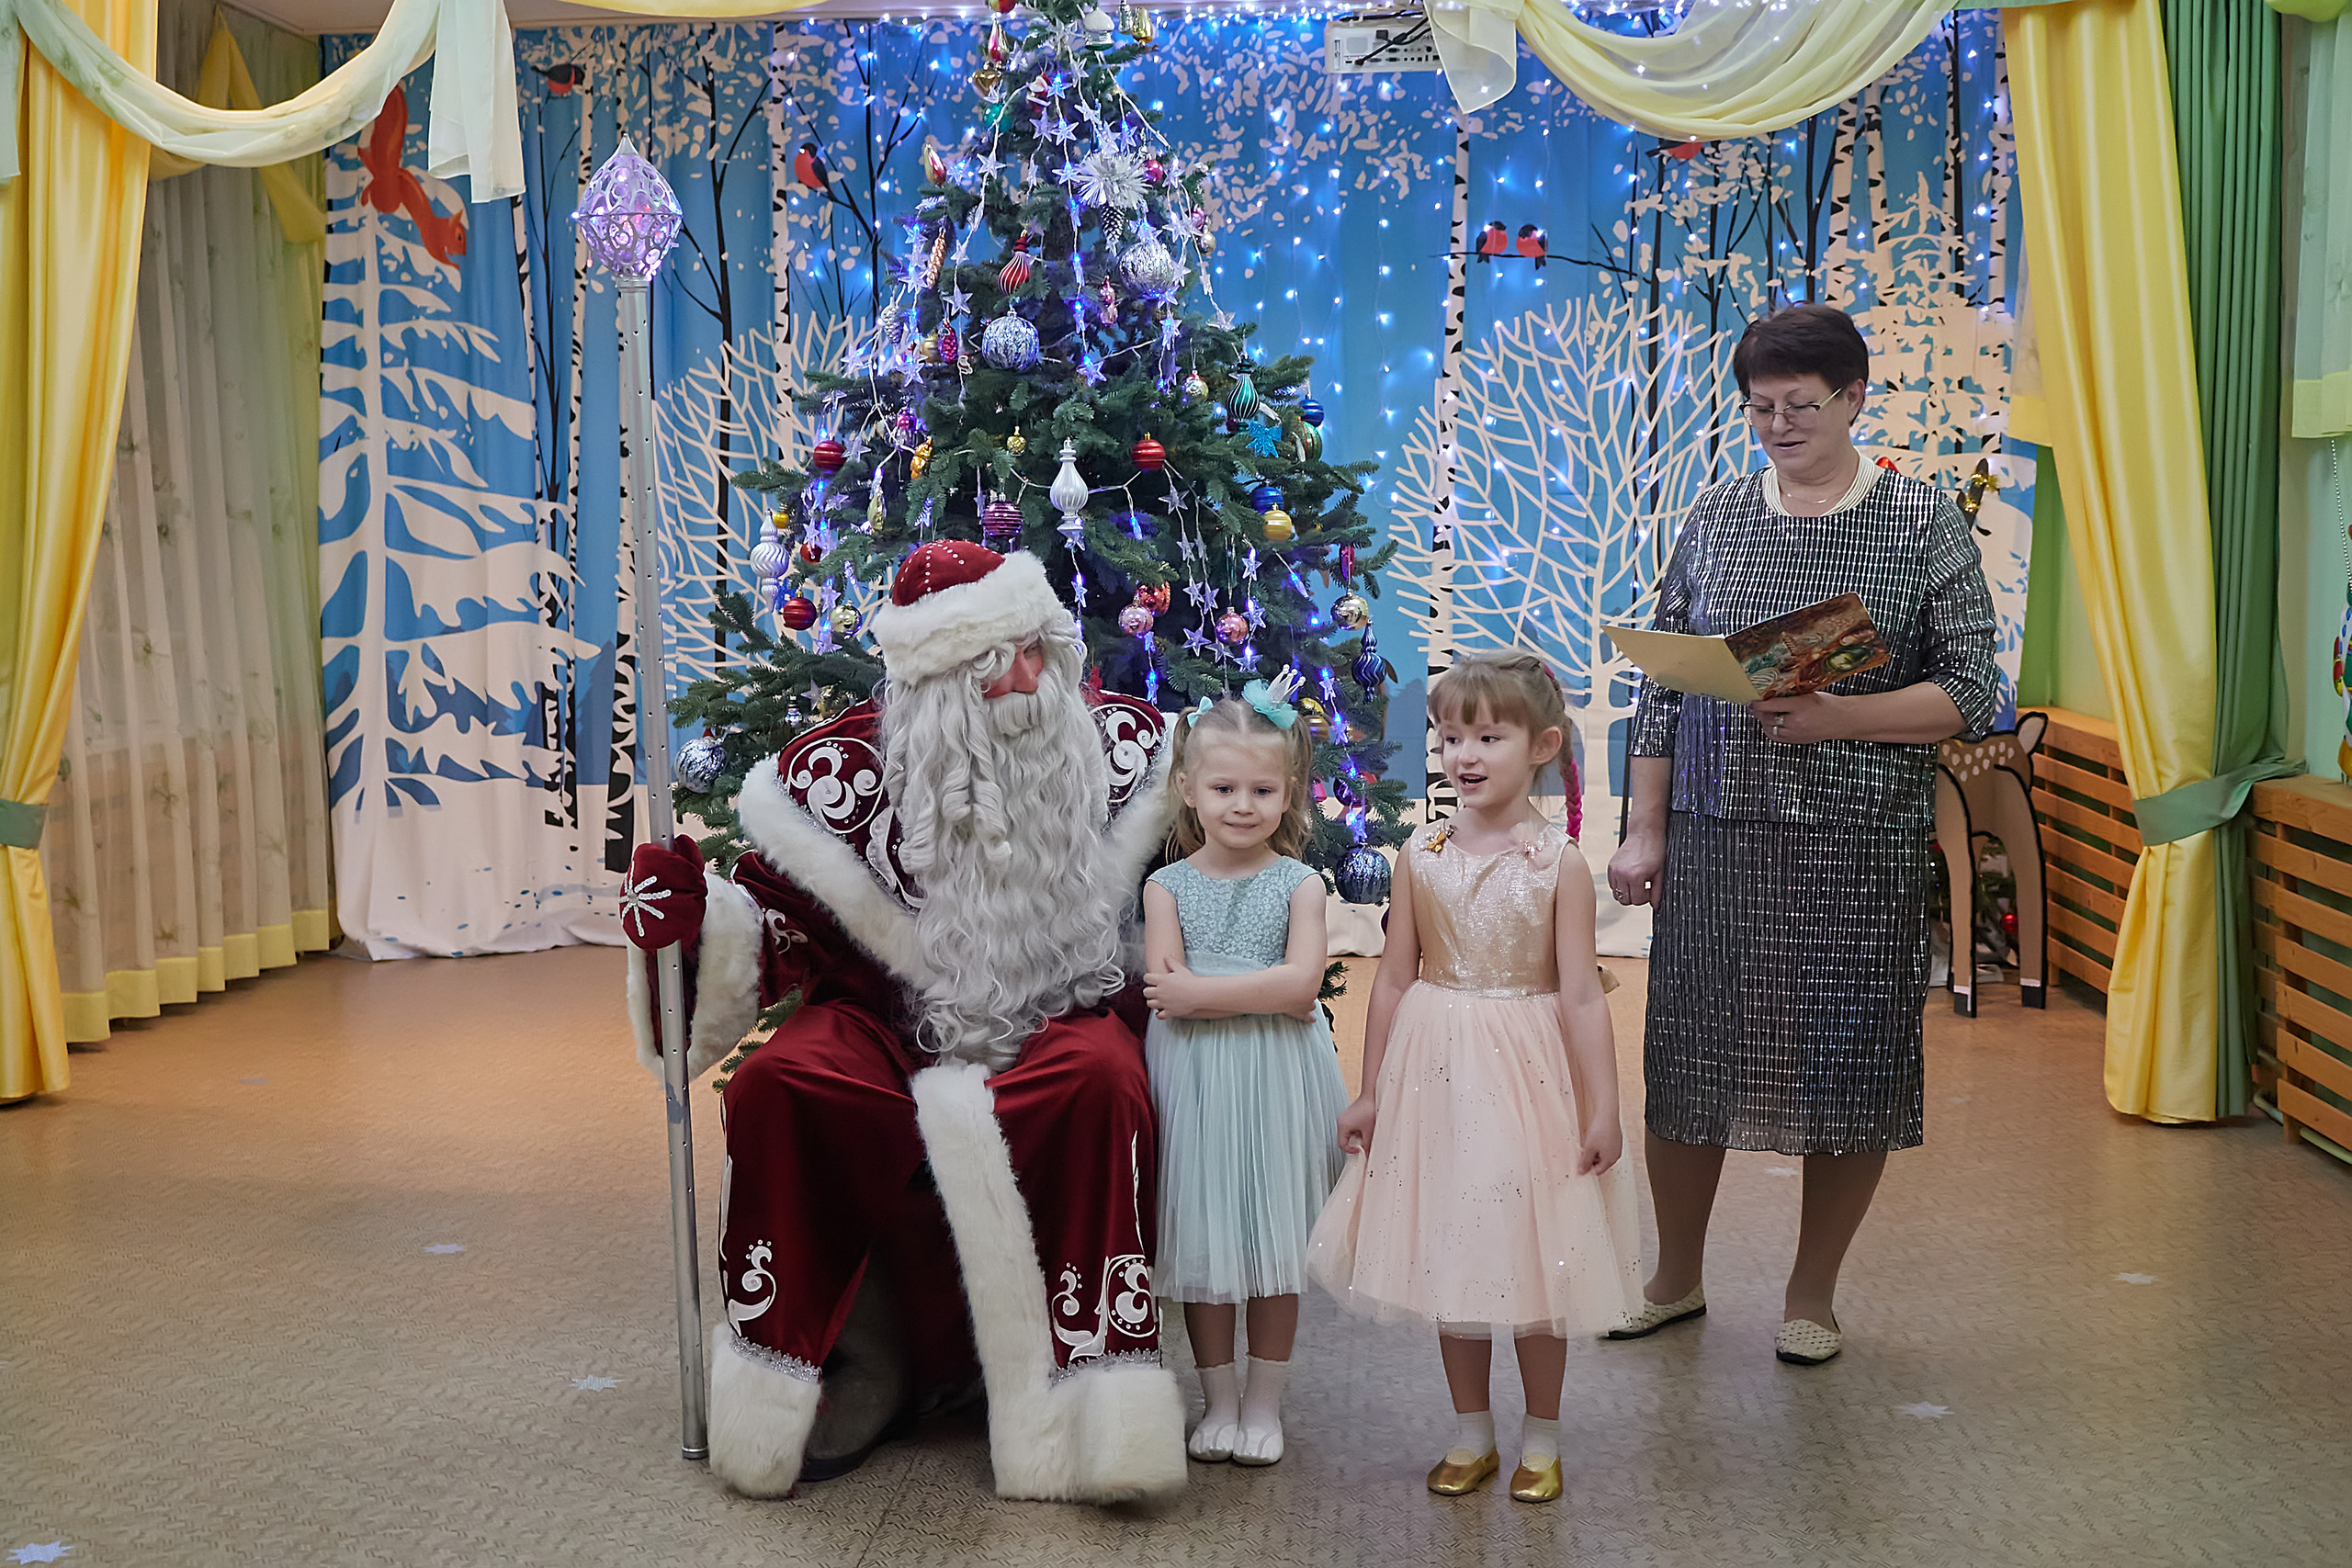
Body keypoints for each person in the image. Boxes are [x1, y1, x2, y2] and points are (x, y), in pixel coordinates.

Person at [618, 540, 1187, 1502]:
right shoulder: (834, 777)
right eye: (999, 661)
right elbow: (768, 934)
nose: (1032, 677)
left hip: (1065, 1011)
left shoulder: (1130, 754)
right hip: (883, 1019)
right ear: (934, 683)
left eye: (1040, 647)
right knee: (781, 1083)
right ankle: (848, 1366)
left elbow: (1198, 895)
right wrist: (684, 924)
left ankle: (1092, 1401)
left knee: (1097, 1083)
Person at [1604, 302, 1997, 1367]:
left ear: (1854, 399)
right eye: (1759, 407)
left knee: (1846, 1066)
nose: (1777, 425)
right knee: (1687, 1061)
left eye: (1800, 406)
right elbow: (1660, 689)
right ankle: (1672, 1278)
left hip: (1855, 841)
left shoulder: (1919, 523)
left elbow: (1970, 691)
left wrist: (1842, 716)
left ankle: (1811, 1295)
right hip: (1718, 831)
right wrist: (1645, 830)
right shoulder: (1720, 514)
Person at [1307, 652, 1641, 1505]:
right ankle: (1470, 1432)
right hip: (1436, 1074)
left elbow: (1578, 993)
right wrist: (1371, 1087)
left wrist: (1603, 1107)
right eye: (1452, 735)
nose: (1466, 753)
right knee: (1453, 1255)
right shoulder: (1420, 852)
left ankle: (1543, 1437)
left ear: (1542, 744)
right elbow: (1391, 977)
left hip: (1527, 1075)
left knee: (1535, 1261)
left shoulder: (1557, 863)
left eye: (1489, 735)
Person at [1139, 674, 1350, 1470]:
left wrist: (1206, 992)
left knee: (1270, 1239)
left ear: (1290, 791)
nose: (1242, 804)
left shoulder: (1300, 883)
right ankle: (1217, 1401)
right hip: (1194, 1079)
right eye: (1223, 786)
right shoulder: (1167, 886)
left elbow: (1302, 984)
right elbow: (1167, 995)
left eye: (1263, 788)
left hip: (1276, 1079)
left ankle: (1264, 1404)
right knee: (1202, 1236)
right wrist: (1248, 994)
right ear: (1188, 788)